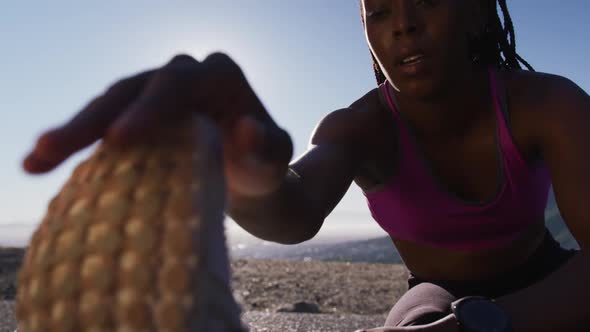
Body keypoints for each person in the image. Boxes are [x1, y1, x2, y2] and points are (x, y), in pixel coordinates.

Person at [22, 0, 589, 331]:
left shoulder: (545, 104)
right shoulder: (359, 127)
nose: (403, 24)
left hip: (550, 277)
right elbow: (295, 211)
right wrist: (247, 170)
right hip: (436, 291)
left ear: (473, 11)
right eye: (380, 10)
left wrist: (482, 324)